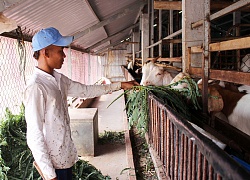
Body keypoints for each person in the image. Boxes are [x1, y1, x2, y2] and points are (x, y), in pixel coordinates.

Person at [24, 27, 139, 180]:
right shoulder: (36, 87)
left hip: (64, 157)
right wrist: (49, 175)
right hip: (52, 166)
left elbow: (86, 91)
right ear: (46, 52)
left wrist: (121, 85)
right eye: (60, 51)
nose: (64, 56)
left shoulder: (59, 79)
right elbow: (34, 134)